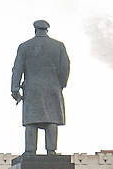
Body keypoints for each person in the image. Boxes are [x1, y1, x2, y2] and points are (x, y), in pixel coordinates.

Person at [11, 20, 70, 154]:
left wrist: (15, 88)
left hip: (32, 88)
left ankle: (30, 150)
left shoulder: (25, 46)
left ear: (35, 29)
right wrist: (60, 84)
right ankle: (51, 150)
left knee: (31, 121)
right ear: (47, 30)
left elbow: (17, 69)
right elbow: (65, 68)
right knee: (51, 120)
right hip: (52, 88)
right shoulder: (58, 46)